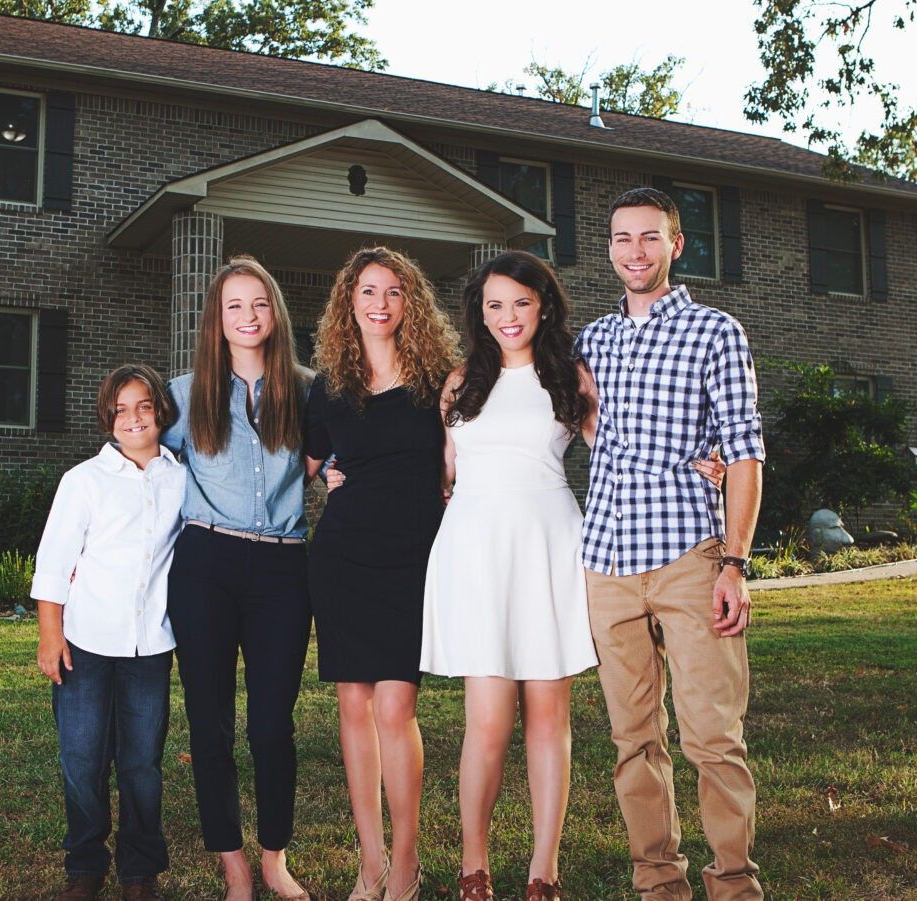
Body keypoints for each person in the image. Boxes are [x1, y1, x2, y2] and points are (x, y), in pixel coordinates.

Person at [328, 252, 723, 901]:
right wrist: (344, 471)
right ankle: (473, 864)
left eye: (520, 303)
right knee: (487, 719)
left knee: (547, 714)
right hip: (477, 549)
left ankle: (544, 869)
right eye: (494, 304)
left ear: (544, 307)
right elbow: (437, 468)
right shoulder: (457, 383)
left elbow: (623, 450)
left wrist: (692, 463)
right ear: (479, 313)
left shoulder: (571, 378)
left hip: (548, 545)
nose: (507, 316)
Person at [579, 187, 766, 900]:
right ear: (609, 248)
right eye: (623, 238)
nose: (635, 251)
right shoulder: (591, 340)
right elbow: (574, 419)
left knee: (713, 736)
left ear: (676, 245)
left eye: (650, 237)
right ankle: (658, 881)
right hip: (607, 561)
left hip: (689, 553)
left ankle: (734, 882)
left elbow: (746, 451)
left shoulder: (716, 331)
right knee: (633, 740)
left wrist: (735, 562)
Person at [305, 246, 461, 901]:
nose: (380, 303)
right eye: (368, 291)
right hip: (344, 554)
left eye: (393, 291)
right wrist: (323, 476)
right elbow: (309, 461)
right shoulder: (329, 385)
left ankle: (406, 860)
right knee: (353, 705)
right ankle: (370, 862)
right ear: (350, 301)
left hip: (413, 556)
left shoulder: (440, 380)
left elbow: (466, 455)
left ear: (410, 303)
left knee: (396, 705)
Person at [163, 257, 316, 901]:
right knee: (210, 723)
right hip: (206, 564)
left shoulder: (309, 389)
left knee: (271, 725)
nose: (248, 316)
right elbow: (140, 470)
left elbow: (343, 458)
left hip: (284, 567)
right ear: (216, 318)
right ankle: (233, 865)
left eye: (259, 303)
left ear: (275, 311)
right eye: (234, 306)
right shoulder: (181, 393)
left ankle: (275, 856)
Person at [33, 364, 186, 901]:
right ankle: (85, 865)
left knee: (142, 761)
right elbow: (53, 564)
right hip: (85, 643)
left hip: (151, 645)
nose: (133, 418)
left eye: (144, 405)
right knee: (81, 757)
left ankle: (140, 871)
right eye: (121, 409)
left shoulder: (182, 478)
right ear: (107, 417)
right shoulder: (83, 482)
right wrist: (50, 635)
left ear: (161, 412)